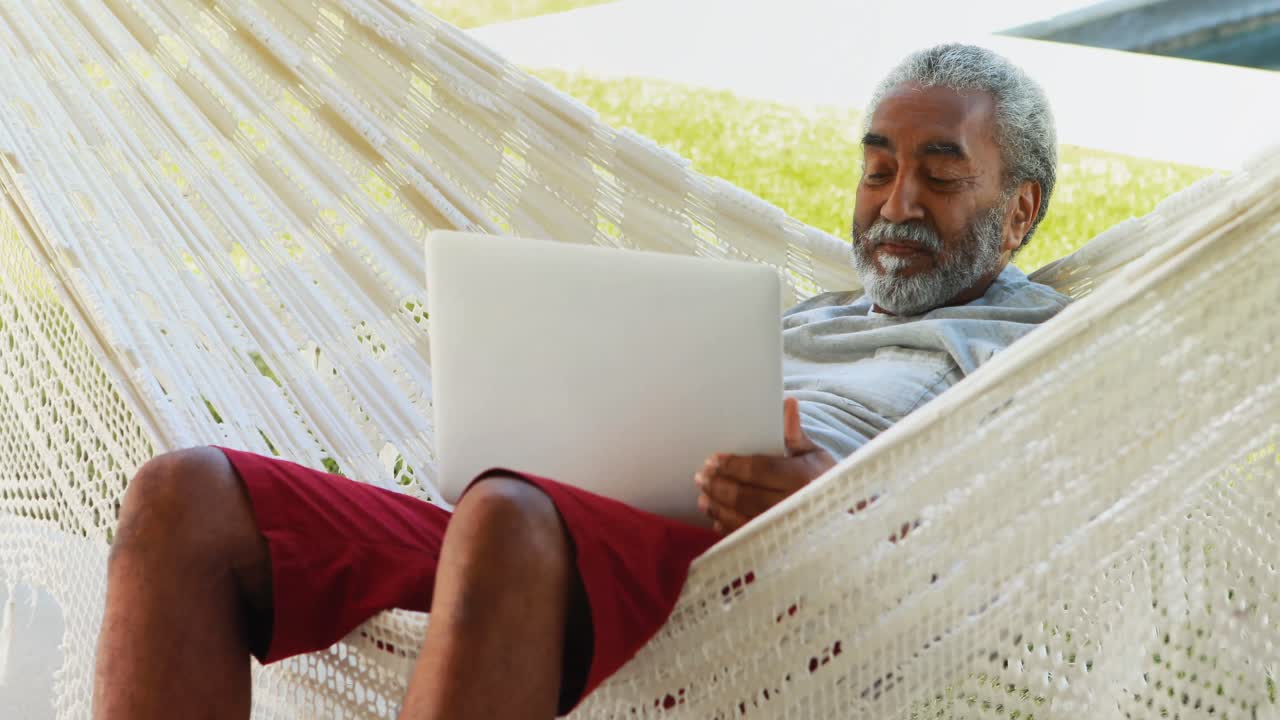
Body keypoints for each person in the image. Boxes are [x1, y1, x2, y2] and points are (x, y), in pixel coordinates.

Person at [92, 43, 1071, 720]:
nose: (895, 202)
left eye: (939, 176)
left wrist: (835, 506)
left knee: (509, 516)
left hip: (759, 576)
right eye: (876, 169)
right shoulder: (805, 312)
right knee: (185, 496)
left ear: (1018, 208)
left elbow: (1014, 526)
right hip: (539, 532)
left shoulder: (1039, 340)